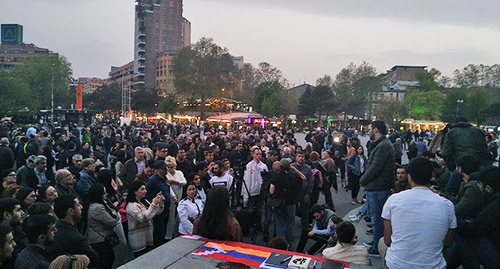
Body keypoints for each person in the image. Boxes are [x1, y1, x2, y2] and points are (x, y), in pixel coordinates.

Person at [379, 157, 456, 269]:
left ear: (409, 177)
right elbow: (448, 242)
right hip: (433, 265)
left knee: (381, 242)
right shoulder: (447, 205)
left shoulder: (393, 200)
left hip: (397, 265)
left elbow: (388, 240)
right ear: (431, 177)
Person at [447, 166, 500, 268]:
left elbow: (473, 229)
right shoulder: (494, 201)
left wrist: (453, 221)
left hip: (495, 255)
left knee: (461, 236)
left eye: (479, 184)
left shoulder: (495, 205)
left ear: (488, 188)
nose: (478, 187)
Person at [359, 120, 395, 257]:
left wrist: (362, 180)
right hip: (377, 187)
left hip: (378, 188)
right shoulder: (382, 145)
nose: (367, 132)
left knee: (377, 219)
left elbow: (375, 168)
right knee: (376, 218)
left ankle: (377, 247)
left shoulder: (383, 146)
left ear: (375, 130)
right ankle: (375, 242)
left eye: (369, 129)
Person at [46, 194, 99, 268]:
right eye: (78, 205)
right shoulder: (76, 239)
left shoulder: (55, 230)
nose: (81, 207)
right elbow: (94, 258)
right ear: (71, 211)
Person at [269, 159, 302, 247]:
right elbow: (303, 179)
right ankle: (289, 243)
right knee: (290, 223)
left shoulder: (276, 176)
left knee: (279, 223)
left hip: (279, 203)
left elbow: (271, 191)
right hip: (291, 202)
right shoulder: (294, 176)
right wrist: (295, 170)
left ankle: (280, 244)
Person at [127, 181, 164, 257]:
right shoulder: (131, 206)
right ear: (135, 192)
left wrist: (160, 203)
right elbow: (143, 218)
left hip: (147, 235)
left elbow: (155, 213)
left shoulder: (144, 201)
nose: (145, 191)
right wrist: (153, 204)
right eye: (142, 189)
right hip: (138, 239)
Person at [85, 183, 118, 269]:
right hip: (100, 239)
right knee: (106, 261)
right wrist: (114, 213)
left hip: (101, 237)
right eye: (104, 193)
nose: (106, 194)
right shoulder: (97, 208)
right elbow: (112, 221)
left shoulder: (95, 204)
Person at [165, 156, 186, 241]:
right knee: (171, 216)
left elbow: (184, 182)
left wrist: (175, 182)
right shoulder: (166, 175)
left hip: (179, 195)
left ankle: (176, 232)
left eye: (172, 167)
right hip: (171, 197)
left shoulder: (179, 173)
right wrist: (173, 196)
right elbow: (168, 187)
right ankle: (169, 235)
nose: (170, 169)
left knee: (179, 215)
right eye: (168, 167)